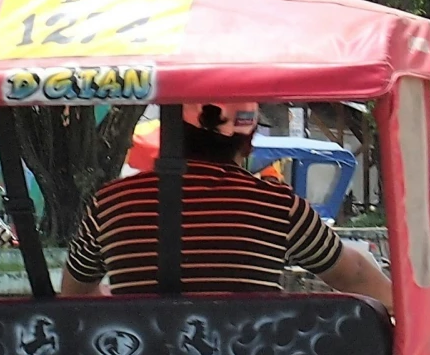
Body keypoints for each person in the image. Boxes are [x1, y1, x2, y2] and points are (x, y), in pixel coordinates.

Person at [59, 101, 392, 311]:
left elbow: (76, 294)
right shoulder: (277, 205)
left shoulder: (111, 203)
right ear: (247, 142)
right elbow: (355, 275)